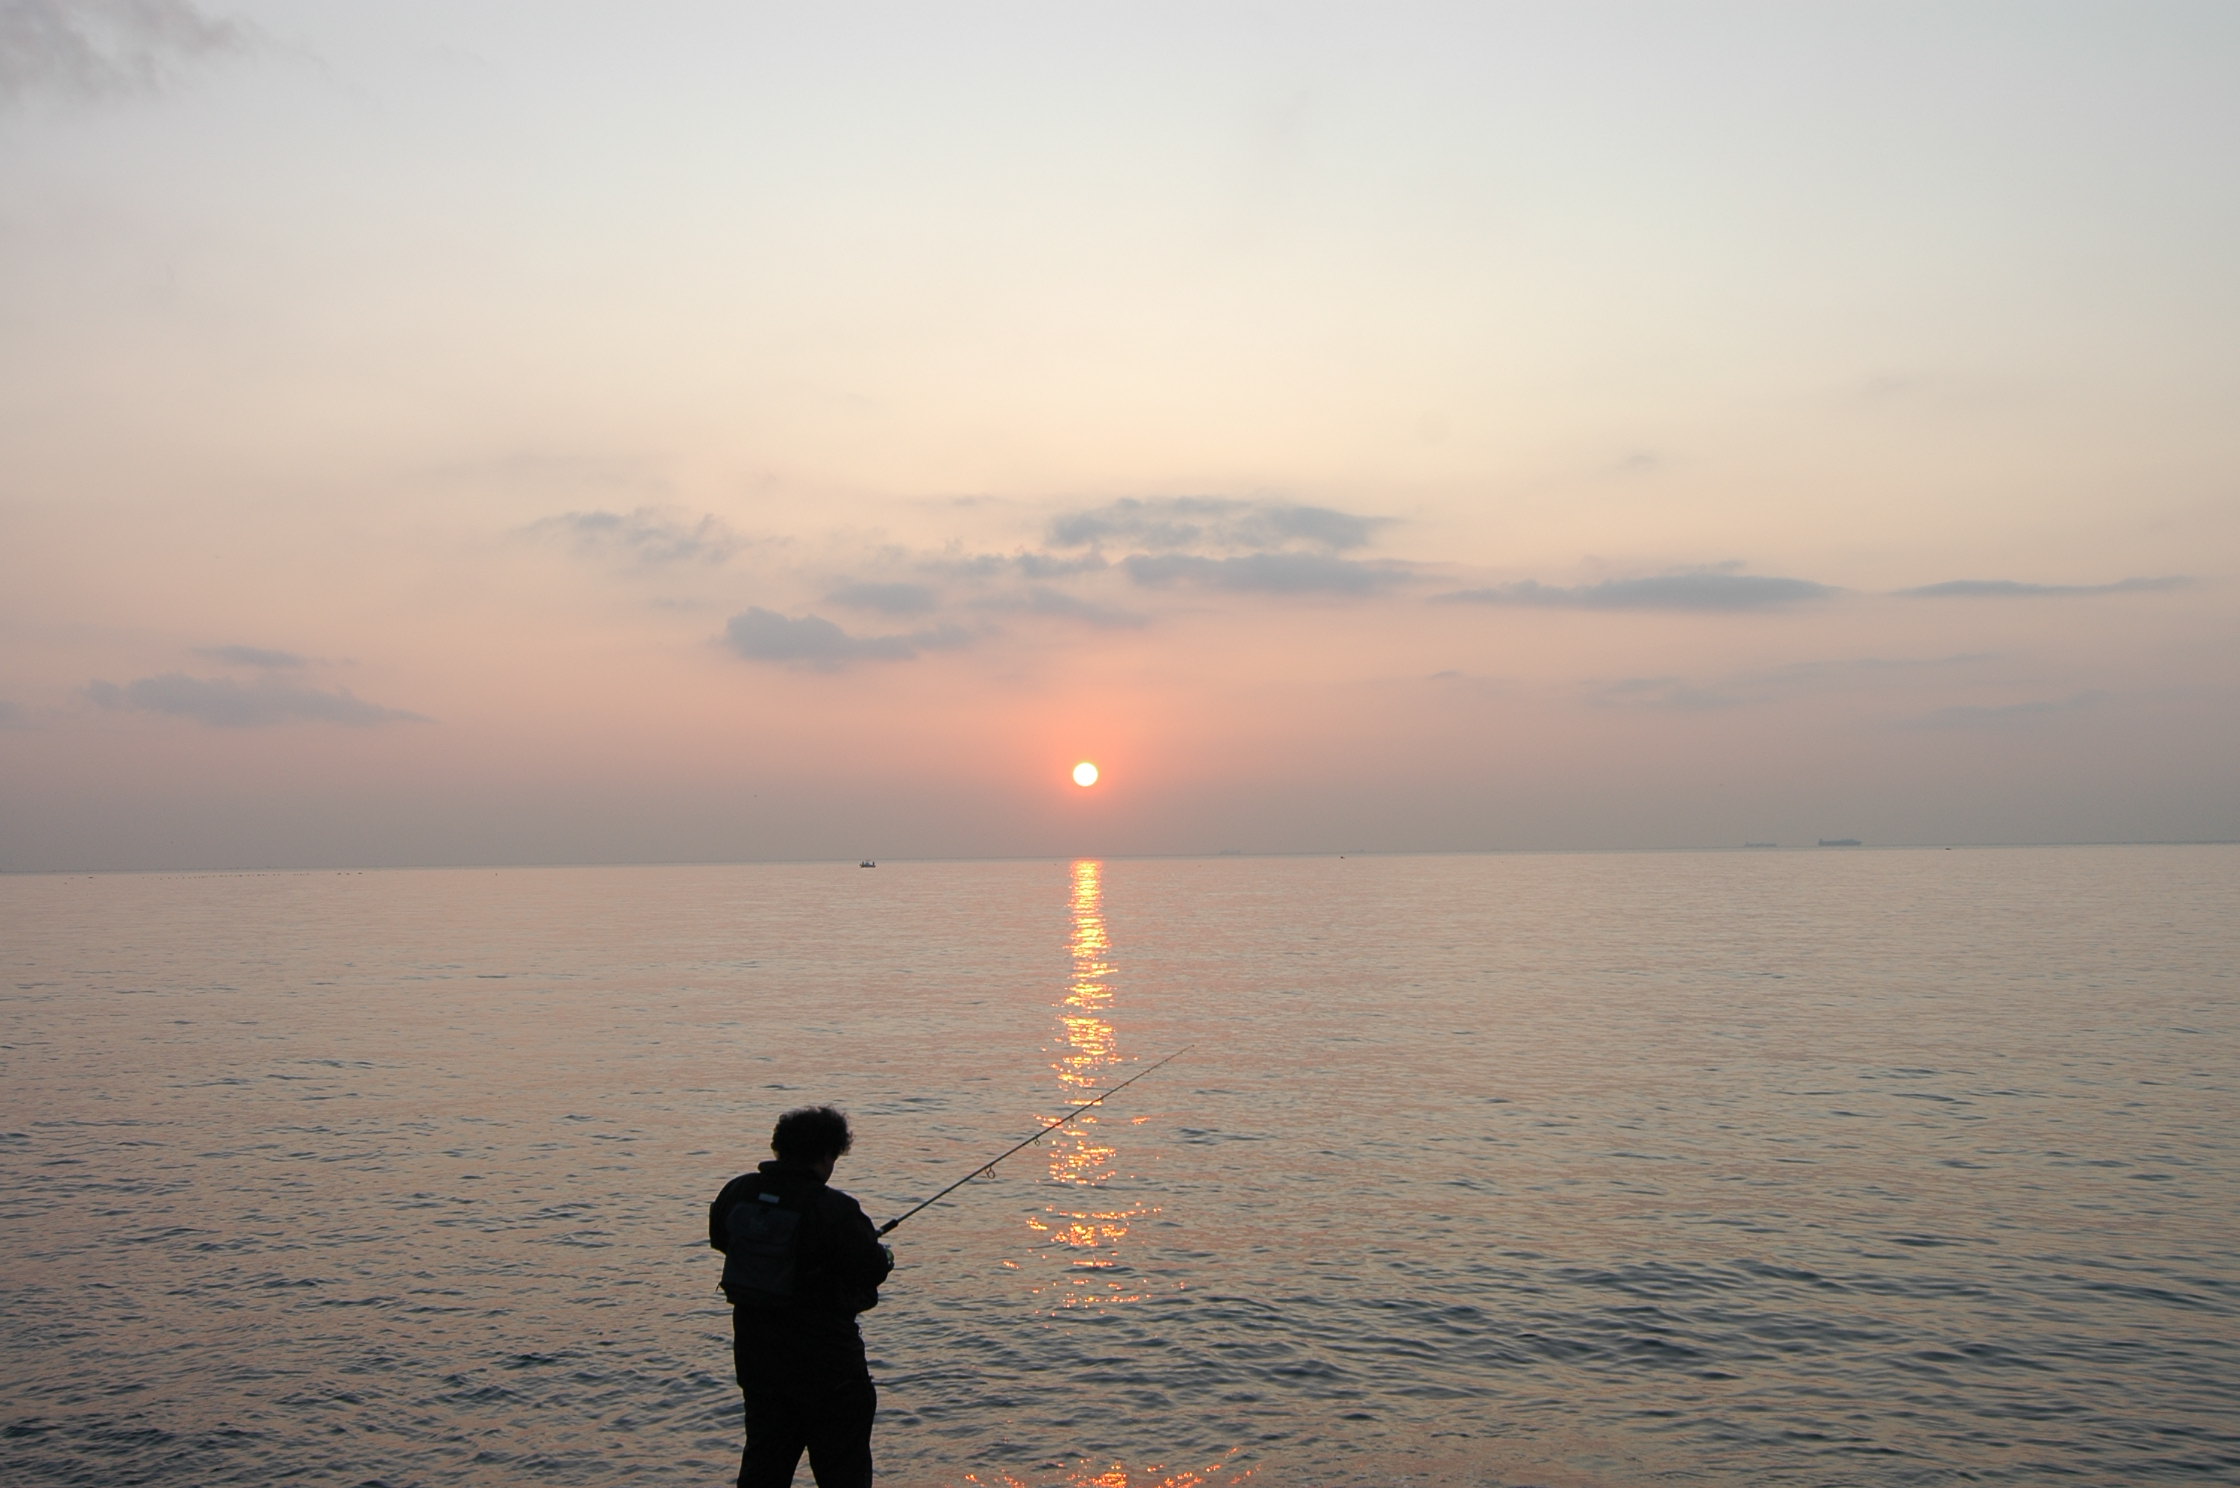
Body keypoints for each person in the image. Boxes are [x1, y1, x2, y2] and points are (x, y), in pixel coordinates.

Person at [710, 1105, 895, 1488]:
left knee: (763, 1470)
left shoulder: (737, 1192)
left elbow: (721, 1240)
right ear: (827, 1154)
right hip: (830, 1371)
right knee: (843, 1473)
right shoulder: (835, 1209)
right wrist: (884, 1255)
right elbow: (872, 1268)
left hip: (758, 1366)